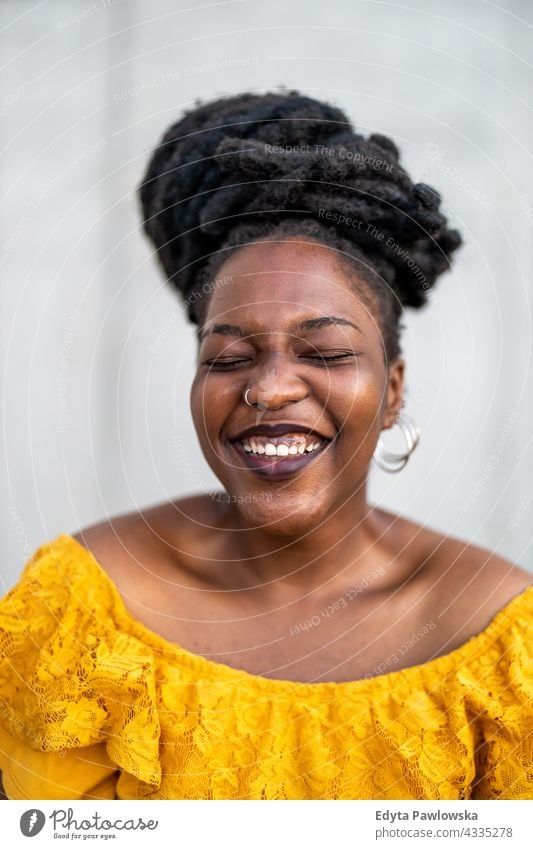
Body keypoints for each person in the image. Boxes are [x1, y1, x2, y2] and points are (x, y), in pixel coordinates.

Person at [0, 90, 531, 801]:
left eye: (325, 351)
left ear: (393, 389)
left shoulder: (498, 639)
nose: (270, 387)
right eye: (227, 357)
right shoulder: (85, 610)